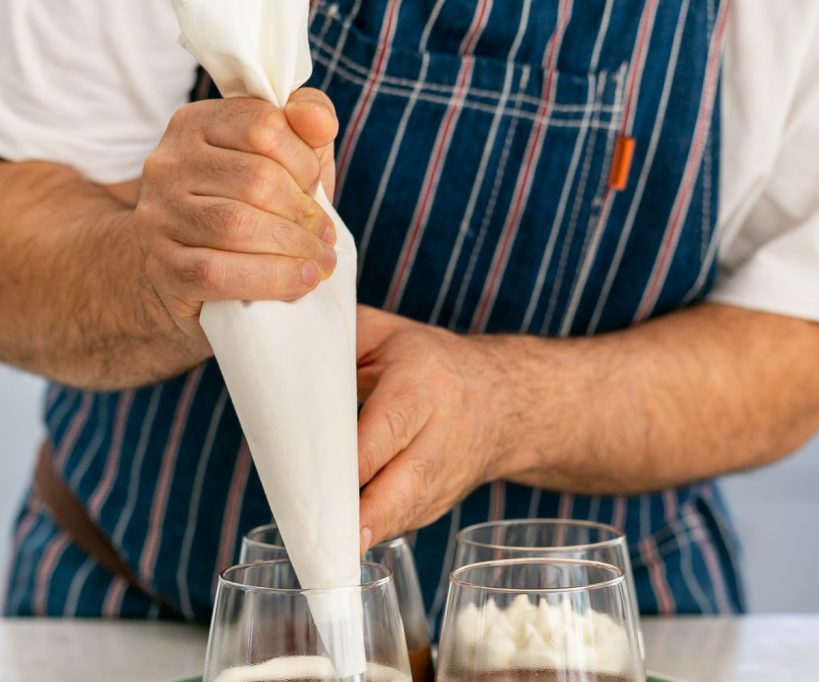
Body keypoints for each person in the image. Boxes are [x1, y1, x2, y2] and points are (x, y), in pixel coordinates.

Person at [0, 0, 818, 627]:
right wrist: (160, 275)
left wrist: (505, 404)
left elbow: (793, 352)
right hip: (140, 619)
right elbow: (19, 222)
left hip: (594, 652)